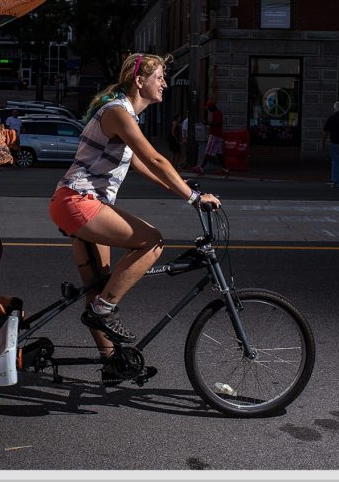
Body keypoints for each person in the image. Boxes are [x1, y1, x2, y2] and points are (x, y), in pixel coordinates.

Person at [48, 53, 220, 382]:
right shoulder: (117, 113)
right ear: (140, 81)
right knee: (152, 241)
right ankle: (104, 310)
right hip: (79, 201)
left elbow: (145, 168)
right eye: (160, 78)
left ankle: (111, 361)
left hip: (74, 201)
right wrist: (194, 198)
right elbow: (154, 158)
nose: (165, 83)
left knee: (97, 287)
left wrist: (183, 187)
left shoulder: (124, 116)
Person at [194, 100, 226, 175]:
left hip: (215, 135)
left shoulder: (217, 113)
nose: (208, 109)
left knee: (208, 151)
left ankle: (201, 168)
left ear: (212, 107)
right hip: (218, 136)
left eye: (209, 108)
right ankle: (225, 169)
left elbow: (218, 123)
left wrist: (208, 123)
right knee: (219, 153)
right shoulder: (216, 113)